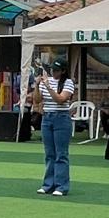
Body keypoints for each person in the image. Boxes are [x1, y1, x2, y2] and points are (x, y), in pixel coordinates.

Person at [36, 58, 76, 196]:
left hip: (61, 118)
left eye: (57, 70)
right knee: (49, 154)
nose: (53, 72)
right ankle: (48, 184)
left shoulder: (68, 82)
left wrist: (48, 87)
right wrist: (37, 85)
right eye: (53, 69)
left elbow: (60, 99)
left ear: (63, 71)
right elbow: (37, 100)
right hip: (47, 118)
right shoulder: (46, 81)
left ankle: (61, 186)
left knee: (61, 154)